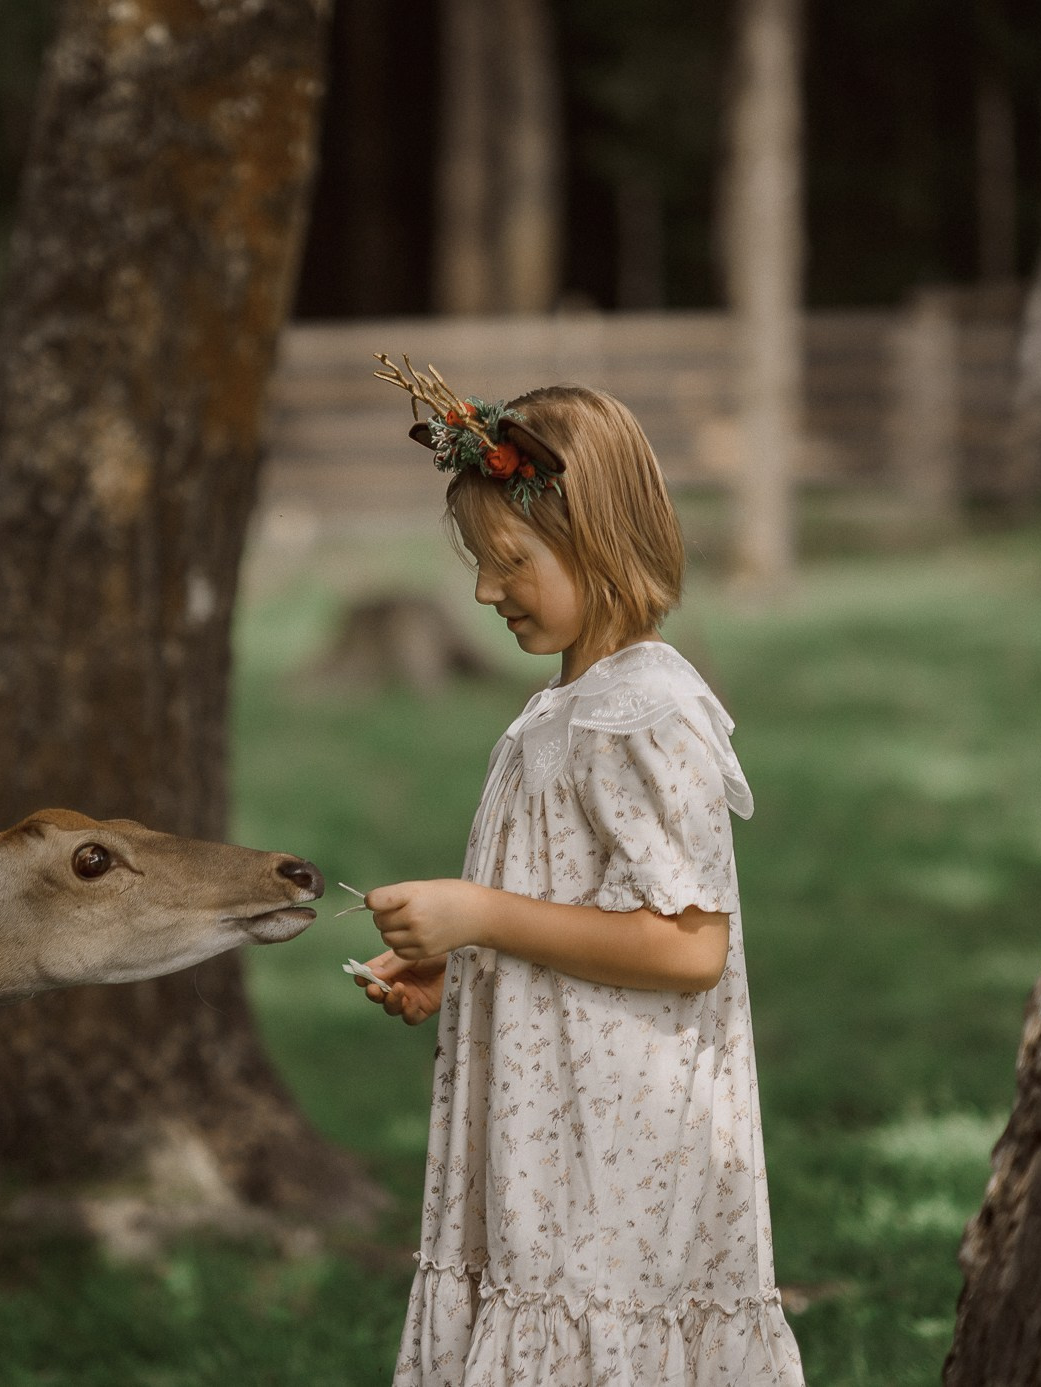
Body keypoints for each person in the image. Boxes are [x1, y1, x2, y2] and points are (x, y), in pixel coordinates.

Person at [357, 369, 805, 1385]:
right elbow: (565, 902)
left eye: (509, 559)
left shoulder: (646, 711)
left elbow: (688, 945)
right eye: (478, 561)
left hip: (619, 1147)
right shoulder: (563, 706)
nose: (483, 589)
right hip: (551, 1121)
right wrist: (456, 953)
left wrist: (479, 911)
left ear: (597, 541)